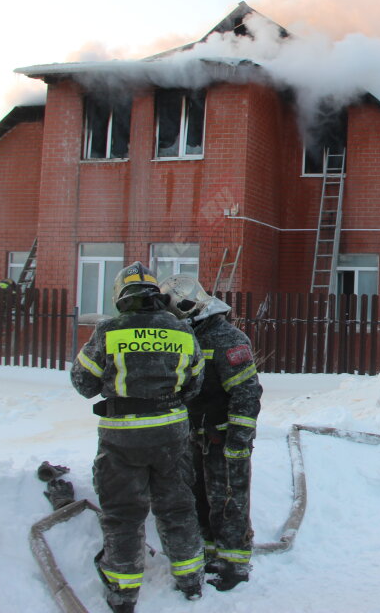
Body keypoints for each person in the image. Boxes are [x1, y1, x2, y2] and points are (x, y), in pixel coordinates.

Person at [70, 262, 206, 613]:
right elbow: (195, 384)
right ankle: (191, 578)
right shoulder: (181, 329)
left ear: (120, 295)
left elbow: (83, 383)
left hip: (123, 437)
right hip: (171, 432)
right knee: (177, 506)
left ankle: (123, 590)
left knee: (123, 513)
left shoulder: (108, 331)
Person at [160, 274, 262, 592]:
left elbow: (247, 392)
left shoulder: (226, 338)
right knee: (200, 501)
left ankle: (235, 565)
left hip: (225, 438)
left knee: (229, 503)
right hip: (196, 437)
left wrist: (238, 441)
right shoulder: (188, 337)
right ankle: (209, 554)